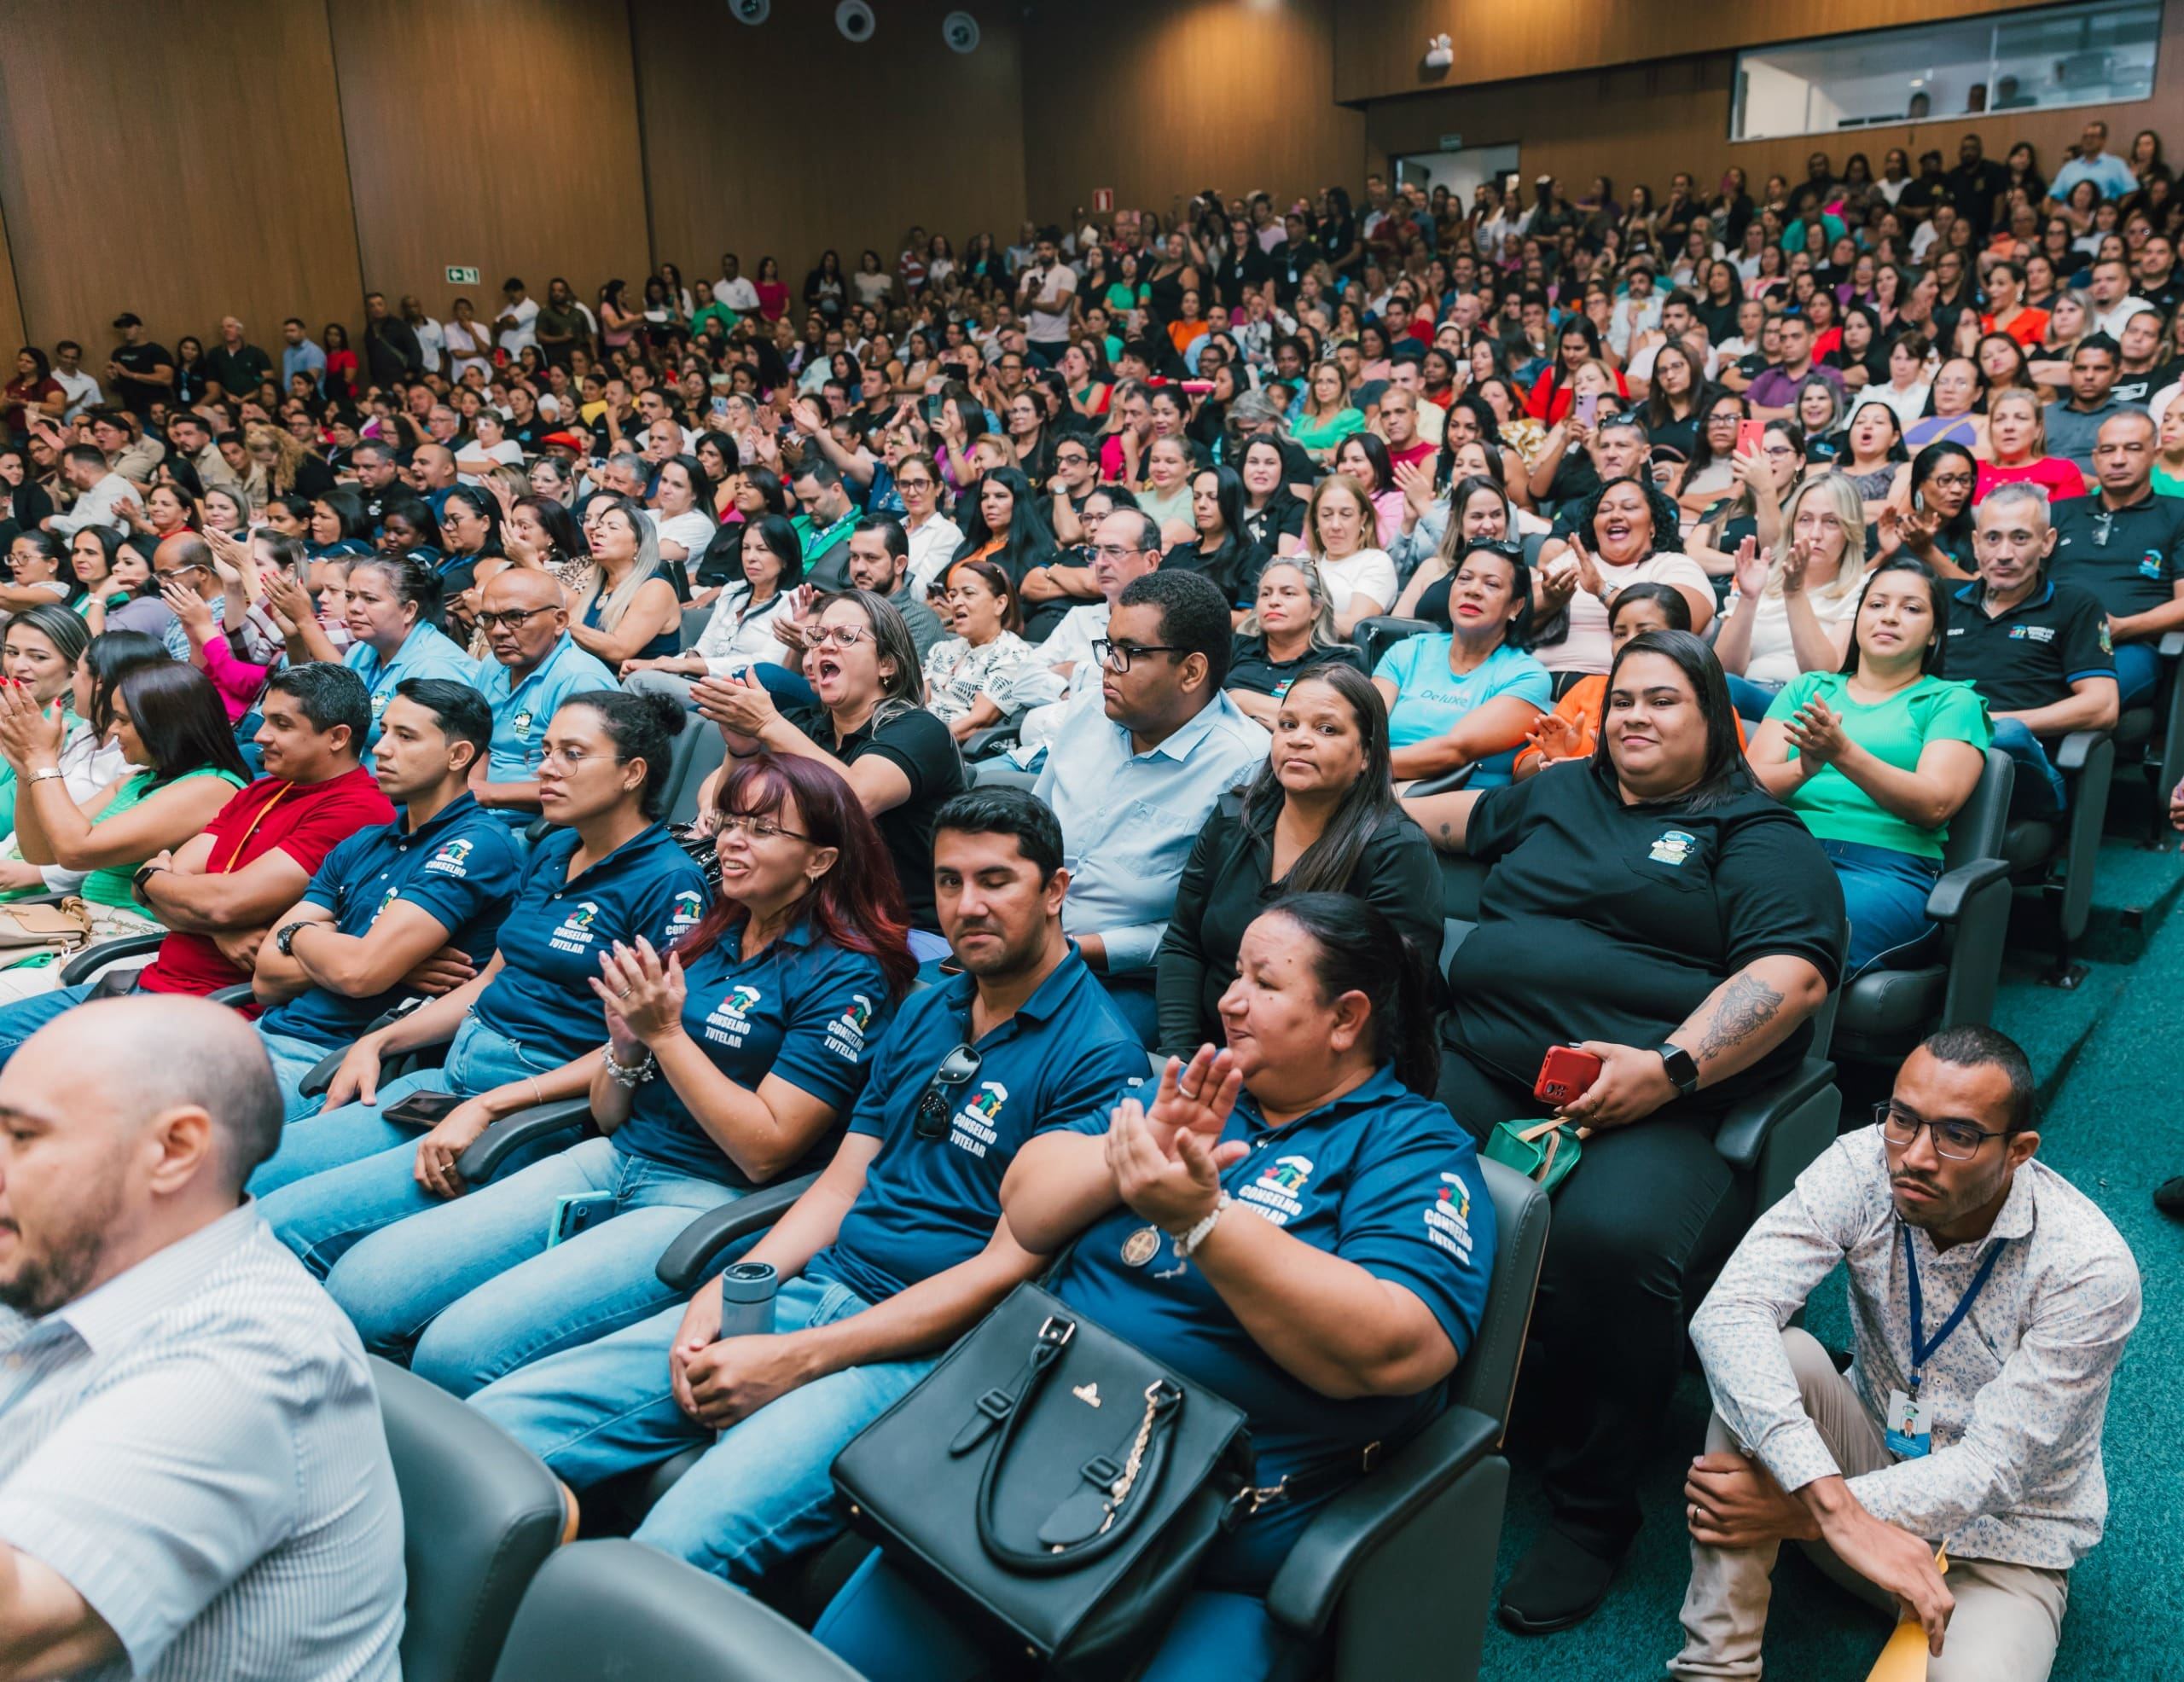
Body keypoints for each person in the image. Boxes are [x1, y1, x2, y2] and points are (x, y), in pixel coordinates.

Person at [467, 786, 1148, 1586]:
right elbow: (836, 1186)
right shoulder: (932, 1009)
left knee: (660, 1565)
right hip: (815, 1289)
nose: (969, 906)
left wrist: (796, 1358)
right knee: (493, 1435)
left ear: (1056, 890)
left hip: (923, 1353)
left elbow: (1008, 1270)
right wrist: (726, 1293)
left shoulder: (1102, 1057)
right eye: (951, 882)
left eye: (996, 881)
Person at [816, 896, 1496, 1682]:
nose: (1229, 1000)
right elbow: (1027, 1208)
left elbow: (1396, 1348)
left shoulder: (1410, 1145)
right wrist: (1131, 1158)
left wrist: (1204, 1222)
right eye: (1233, 975)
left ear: (1346, 1019)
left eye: (1264, 984)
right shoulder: (1202, 1089)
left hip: (1214, 1537)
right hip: (1028, 1462)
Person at [1407, 628, 1844, 1632]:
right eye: (1621, 702)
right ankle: (1385, 1416)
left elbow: (1791, 978)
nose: (1634, 718)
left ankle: (1591, 1510)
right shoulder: (1558, 790)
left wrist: (1667, 1068)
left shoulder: (1757, 834)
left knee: (1614, 1244)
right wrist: (1347, 794)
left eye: (1662, 701)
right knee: (1383, 1162)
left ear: (1714, 722)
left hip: (1651, 1099)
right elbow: (1455, 818)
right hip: (1476, 1059)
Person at [316, 753, 918, 1398]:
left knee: (454, 1354)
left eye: (763, 829)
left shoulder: (848, 975)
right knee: (363, 1290)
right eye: (732, 822)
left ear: (820, 860)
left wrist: (664, 1035)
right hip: (614, 1156)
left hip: (707, 1196)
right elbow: (610, 1114)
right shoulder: (712, 936)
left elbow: (765, 1152)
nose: (734, 840)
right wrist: (627, 1047)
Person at [1671, 1026, 2140, 1682]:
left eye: (1958, 1135)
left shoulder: (2087, 1269)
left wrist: (1801, 1513)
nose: (1915, 1157)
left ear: (2019, 1152)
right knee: (1769, 1352)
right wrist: (1831, 1507)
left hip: (2004, 1544)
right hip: (1862, 1468)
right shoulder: (1864, 1166)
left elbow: (1993, 1471)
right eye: (1903, 1119)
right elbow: (1729, 1310)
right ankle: (1715, 1669)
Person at [0, 995, 405, 1682]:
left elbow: (14, 1636)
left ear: (173, 1150)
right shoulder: (63, 1258)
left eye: (23, 1137)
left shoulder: (249, 1356)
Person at [255, 693, 709, 1251]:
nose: (545, 767)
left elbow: (646, 1042)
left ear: (632, 773)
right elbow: (490, 981)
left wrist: (493, 1106)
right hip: (452, 1077)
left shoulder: (670, 884)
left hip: (539, 1102)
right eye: (545, 750)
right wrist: (380, 1041)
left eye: (572, 753)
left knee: (287, 1226)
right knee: (253, 1174)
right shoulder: (556, 846)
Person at [0, 662, 394, 1065]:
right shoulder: (263, 791)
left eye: (281, 724)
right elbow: (146, 882)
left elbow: (218, 902)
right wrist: (204, 914)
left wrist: (187, 897)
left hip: (210, 1008)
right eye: (265, 720)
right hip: (152, 981)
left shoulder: (355, 808)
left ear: (337, 737)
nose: (260, 736)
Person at [248, 681, 524, 1119]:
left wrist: (299, 934)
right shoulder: (365, 842)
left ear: (458, 756)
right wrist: (376, 958)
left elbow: (359, 974)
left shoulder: (478, 845)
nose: (381, 748)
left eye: (406, 736)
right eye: (385, 731)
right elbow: (265, 979)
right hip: (264, 1032)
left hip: (332, 1062)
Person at [1033, 570, 1266, 1043]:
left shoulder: (1244, 764)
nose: (1107, 666)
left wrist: (1079, 948)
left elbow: (1212, 931)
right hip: (1026, 942)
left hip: (1129, 980)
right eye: (1107, 646)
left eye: (1129, 653)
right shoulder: (1087, 712)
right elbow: (1027, 830)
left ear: (1191, 671)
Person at [1156, 663, 1438, 1051]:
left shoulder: (1396, 851)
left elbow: (1388, 1002)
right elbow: (1184, 944)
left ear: (1367, 757)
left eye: (1326, 729)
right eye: (1288, 724)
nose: (1298, 740)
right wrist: (1180, 1056)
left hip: (1316, 1069)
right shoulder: (1232, 819)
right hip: (1208, 1050)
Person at [1749, 559, 1992, 977]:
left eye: (1912, 608)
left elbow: (1934, 804)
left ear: (1935, 634)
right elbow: (1746, 787)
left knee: (1795, 947)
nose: (1890, 616)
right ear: (1858, 618)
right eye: (1877, 604)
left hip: (1885, 870)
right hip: (1781, 851)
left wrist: (1841, 752)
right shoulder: (1809, 688)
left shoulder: (1951, 701)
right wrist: (1804, 769)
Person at [693, 590, 967, 948]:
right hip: (809, 915)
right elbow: (717, 802)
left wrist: (766, 724)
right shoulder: (806, 727)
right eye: (818, 637)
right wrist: (740, 750)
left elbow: (855, 799)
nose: (824, 646)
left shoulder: (920, 730)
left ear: (887, 663)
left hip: (900, 930)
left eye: (846, 636)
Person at [0, 660, 247, 1000]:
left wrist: (43, 761)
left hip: (126, 948)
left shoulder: (213, 786)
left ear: (166, 724)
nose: (112, 729)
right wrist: (28, 771)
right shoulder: (137, 780)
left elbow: (75, 851)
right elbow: (41, 852)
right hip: (78, 932)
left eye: (124, 719)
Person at [1943, 485, 2119, 818]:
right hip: (1936, 745)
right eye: (1993, 538)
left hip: (2018, 759)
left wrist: (1988, 724)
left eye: (2020, 538)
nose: (2004, 553)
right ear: (1976, 543)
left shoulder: (2075, 605)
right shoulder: (1942, 599)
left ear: (2048, 542)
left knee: (2007, 736)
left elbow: (2103, 706)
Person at [1373, 541, 1552, 784]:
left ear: (1515, 606)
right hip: (1375, 786)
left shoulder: (1527, 676)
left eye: (1491, 584)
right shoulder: (1407, 652)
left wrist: (1359, 768)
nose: (1473, 590)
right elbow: (1365, 727)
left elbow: (1454, 752)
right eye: (1465, 579)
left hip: (1458, 799)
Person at [2048, 411, 2184, 709]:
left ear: (2155, 455)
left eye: (2132, 448)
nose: (2118, 459)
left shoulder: (2178, 514)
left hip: (2126, 646)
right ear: (2095, 458)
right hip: (2045, 638)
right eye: (2108, 450)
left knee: (2080, 699)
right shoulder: (2059, 513)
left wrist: (2123, 626)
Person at [1714, 473, 1875, 722]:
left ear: (1849, 530)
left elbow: (1823, 674)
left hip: (1811, 706)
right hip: (1740, 698)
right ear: (1792, 526)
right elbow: (1722, 669)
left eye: (1831, 521)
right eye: (1805, 520)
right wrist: (1748, 598)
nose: (1815, 533)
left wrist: (1795, 592)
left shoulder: (1864, 588)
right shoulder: (1759, 577)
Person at [468, 566, 622, 823]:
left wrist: (489, 794)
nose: (498, 631)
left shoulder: (580, 681)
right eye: (489, 619)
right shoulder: (493, 665)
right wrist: (471, 792)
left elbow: (587, 782)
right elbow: (481, 743)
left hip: (544, 827)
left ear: (560, 621)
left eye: (515, 617)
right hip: (483, 816)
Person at [1535, 476, 1716, 682]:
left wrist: (1602, 589)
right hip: (1539, 681)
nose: (1615, 516)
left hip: (1623, 688)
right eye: (1604, 510)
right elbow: (1514, 615)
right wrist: (1550, 601)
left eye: (1629, 507)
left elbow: (1680, 625)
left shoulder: (1675, 565)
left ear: (1653, 525)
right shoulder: (1571, 560)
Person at [624, 513, 799, 705]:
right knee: (641, 676)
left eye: (762, 549)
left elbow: (767, 665)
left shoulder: (793, 602)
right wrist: (661, 665)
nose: (750, 558)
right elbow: (703, 649)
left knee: (638, 683)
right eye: (745, 548)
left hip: (741, 692)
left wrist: (675, 664)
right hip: (701, 681)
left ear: (785, 559)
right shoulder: (732, 592)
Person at [335, 554, 479, 749]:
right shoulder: (359, 652)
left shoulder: (434, 668)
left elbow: (432, 755)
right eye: (350, 597)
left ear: (409, 610)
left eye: (370, 599)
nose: (354, 608)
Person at [1224, 556, 1364, 724]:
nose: (1274, 602)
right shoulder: (1235, 646)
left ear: (1316, 608)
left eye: (1288, 593)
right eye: (1265, 594)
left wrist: (1238, 698)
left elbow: (1323, 720)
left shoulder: (1338, 661)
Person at [571, 496, 685, 670]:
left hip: (632, 690)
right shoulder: (600, 586)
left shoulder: (655, 589)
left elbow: (619, 651)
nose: (597, 531)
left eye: (613, 527)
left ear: (638, 545)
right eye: (600, 526)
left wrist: (563, 623)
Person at [1298, 473, 1397, 636]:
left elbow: (1356, 624)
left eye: (1346, 515)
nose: (1335, 525)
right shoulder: (1300, 560)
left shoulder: (1375, 561)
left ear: (1362, 519)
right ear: (1316, 519)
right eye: (1326, 515)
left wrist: (1293, 619)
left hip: (1338, 658)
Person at [2042, 334, 2139, 475]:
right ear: (2071, 373)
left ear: (2117, 375)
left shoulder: (2134, 417)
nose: (2089, 376)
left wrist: (2094, 485)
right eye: (2081, 368)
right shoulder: (2044, 414)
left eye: (2100, 369)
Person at [1973, 389, 2087, 505]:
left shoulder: (2063, 471)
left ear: (2038, 428)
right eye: (1999, 419)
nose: (2009, 427)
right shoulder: (1972, 470)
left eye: (2021, 418)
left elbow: (2068, 519)